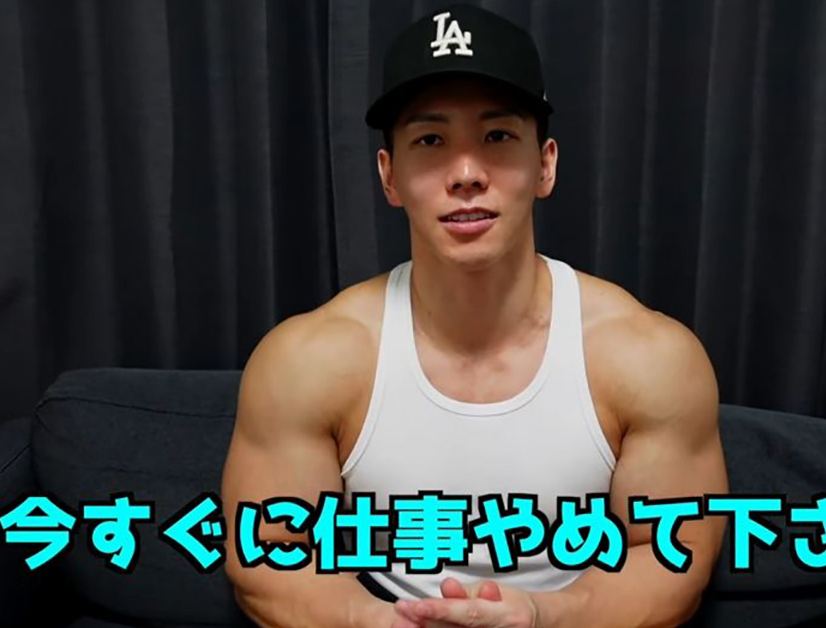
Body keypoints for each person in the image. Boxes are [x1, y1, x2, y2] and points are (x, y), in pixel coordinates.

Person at [221, 5, 728, 628]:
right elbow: (269, 555)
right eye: (430, 141)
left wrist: (539, 618)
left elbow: (671, 556)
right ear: (389, 176)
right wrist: (382, 623)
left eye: (497, 137)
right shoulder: (309, 360)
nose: (466, 175)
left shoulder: (648, 356)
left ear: (545, 165)